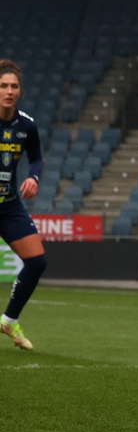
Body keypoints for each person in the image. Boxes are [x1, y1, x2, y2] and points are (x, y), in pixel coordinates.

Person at [0, 59, 47, 351]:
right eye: (3, 85)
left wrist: (34, 177)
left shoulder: (26, 125)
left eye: (13, 86)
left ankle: (8, 320)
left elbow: (37, 157)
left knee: (37, 262)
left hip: (8, 206)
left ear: (20, 91)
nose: (8, 91)